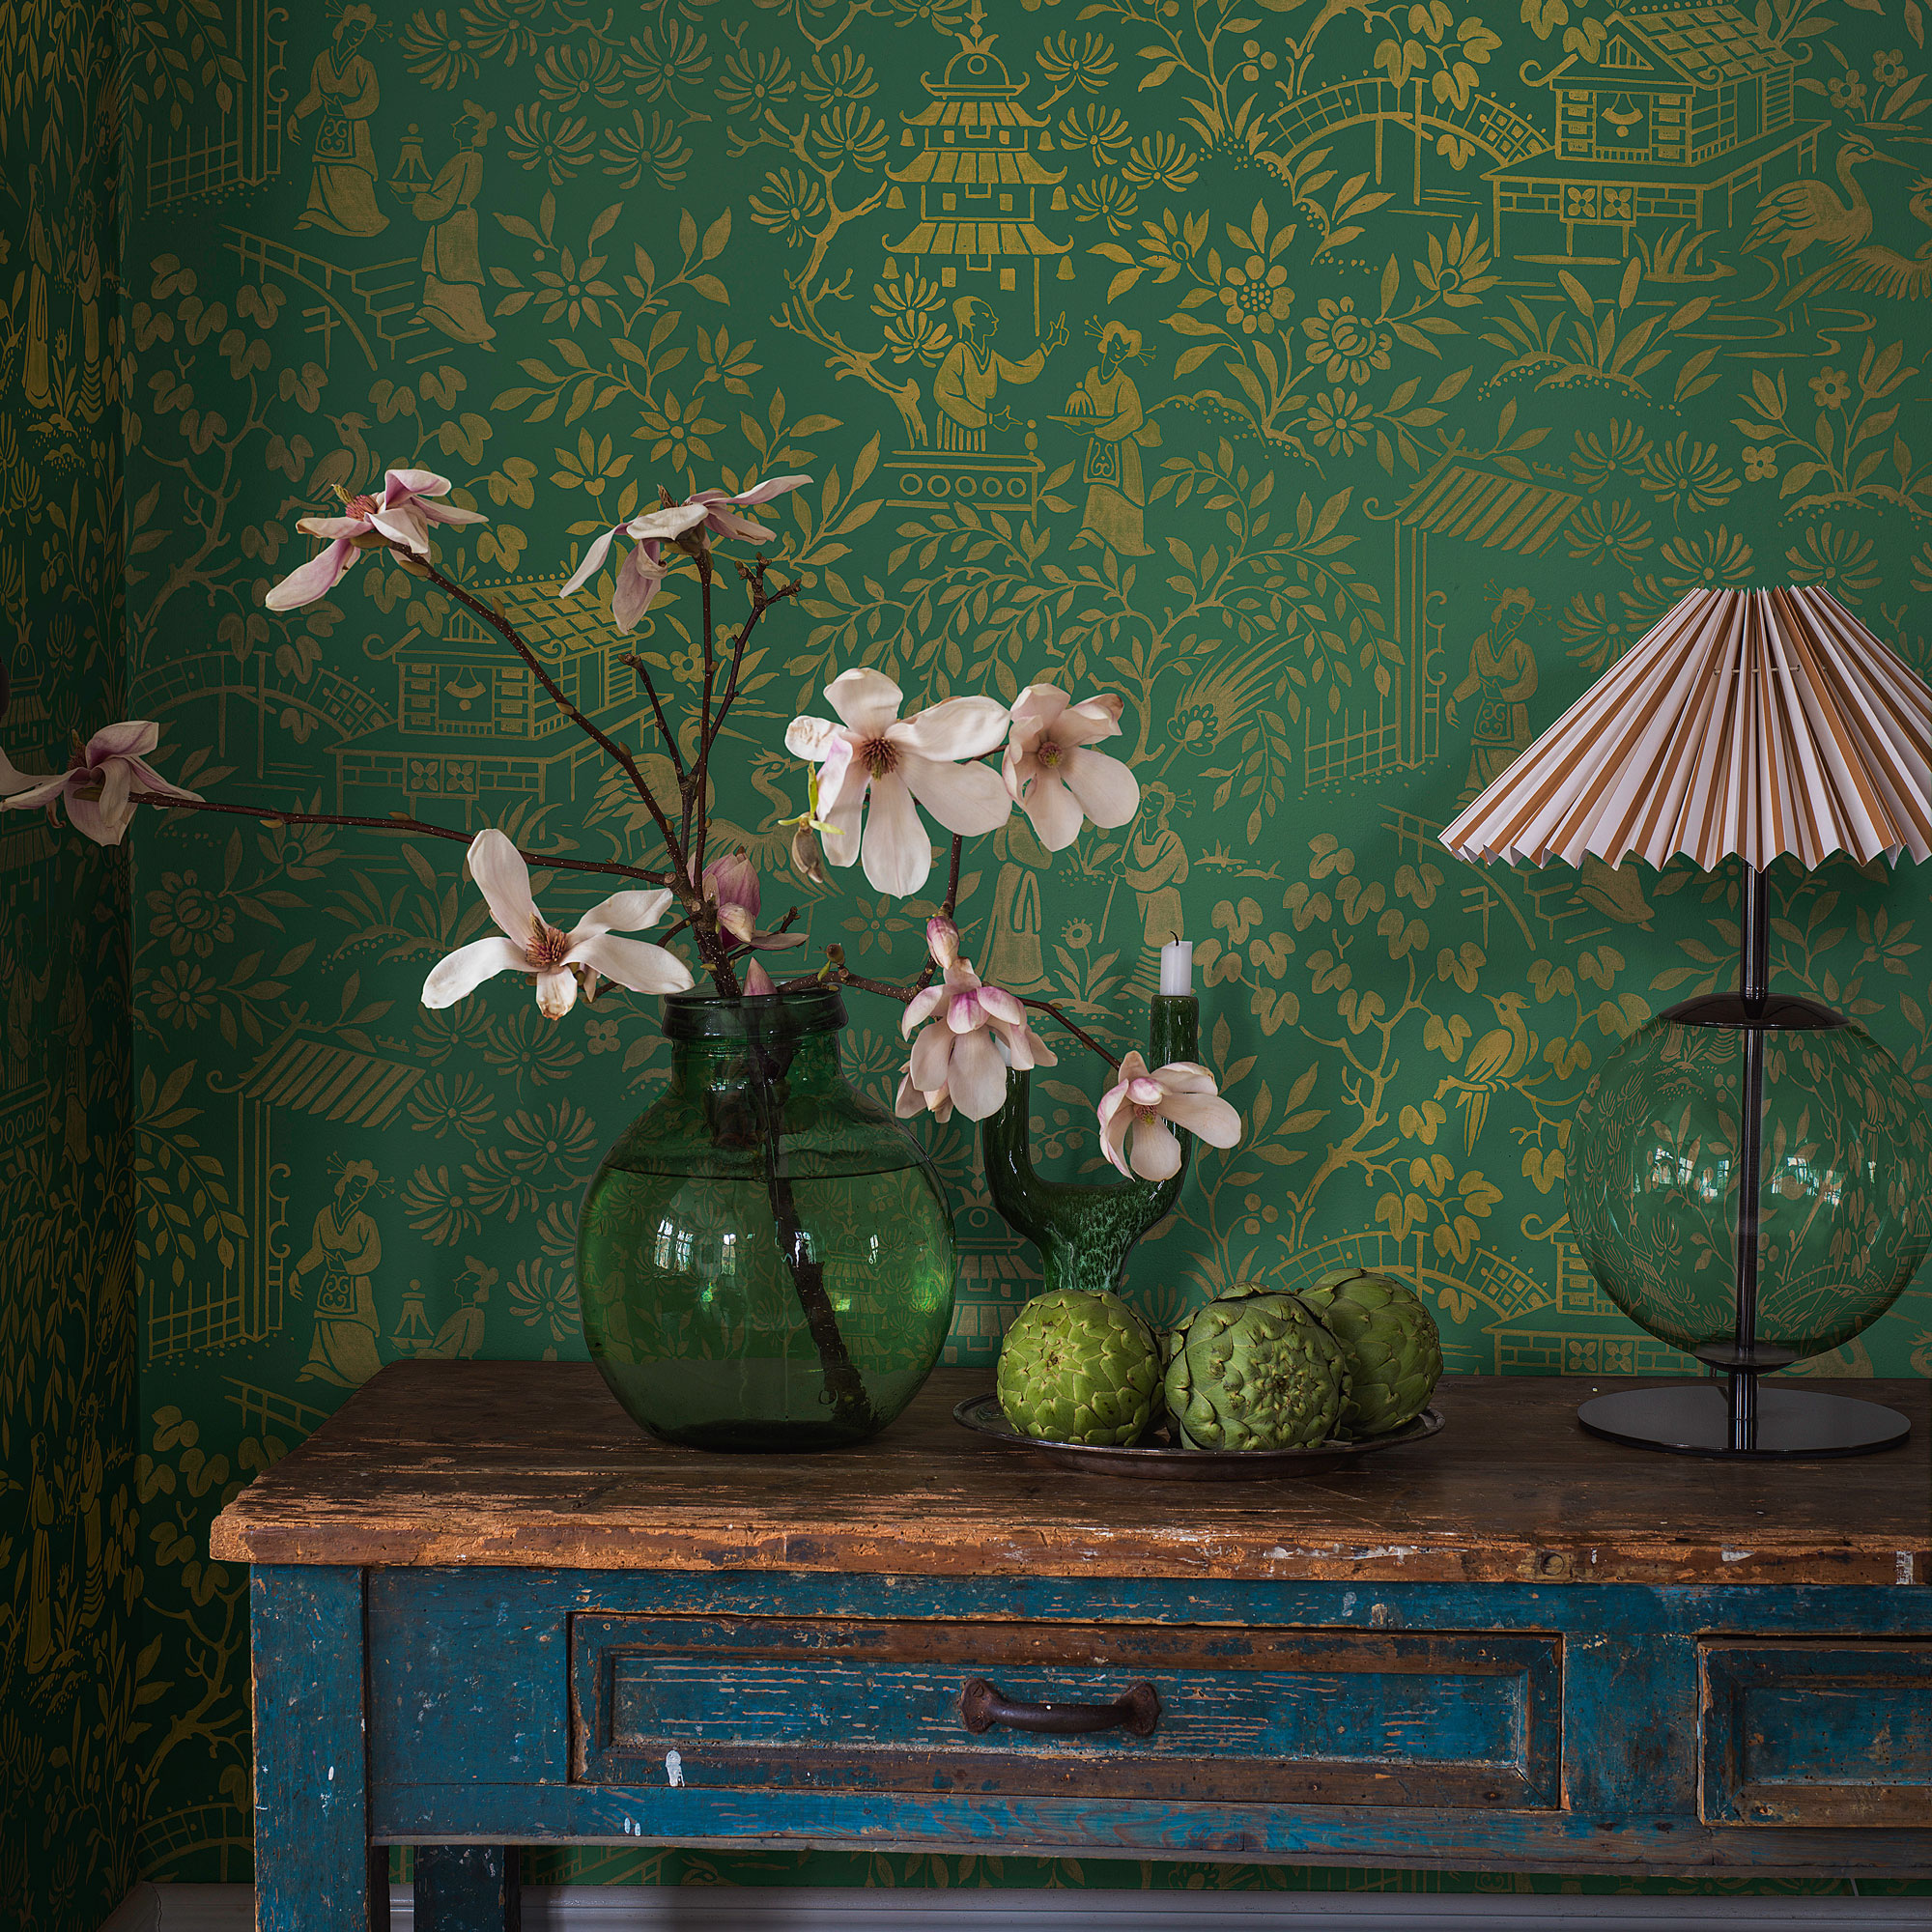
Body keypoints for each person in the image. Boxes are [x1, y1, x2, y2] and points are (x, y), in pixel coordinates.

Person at [289, 5, 388, 238]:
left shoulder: (364, 66)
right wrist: (296, 115)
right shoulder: (323, 59)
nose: (357, 35)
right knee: (325, 171)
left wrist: (344, 110)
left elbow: (371, 101)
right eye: (355, 29)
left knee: (355, 171)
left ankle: (362, 221)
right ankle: (318, 215)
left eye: (362, 32)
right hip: (329, 129)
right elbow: (315, 95)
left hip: (355, 130)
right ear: (344, 26)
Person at [1063, 323, 1156, 556]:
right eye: (1117, 345)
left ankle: (1128, 541)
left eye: (1124, 349)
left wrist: (1099, 431)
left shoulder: (1125, 382)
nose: (1119, 352)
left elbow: (1134, 417)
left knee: (1123, 489)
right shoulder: (1091, 375)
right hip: (1099, 443)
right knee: (1099, 483)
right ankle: (1091, 533)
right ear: (1107, 344)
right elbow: (1088, 407)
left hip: (1122, 445)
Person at [293, 1161, 384, 1387]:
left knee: (357, 1327)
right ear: (346, 1182)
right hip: (331, 1283)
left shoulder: (366, 1221)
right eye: (357, 1184)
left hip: (357, 1286)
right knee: (326, 1325)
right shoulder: (324, 1216)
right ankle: (319, 1367)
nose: (360, 1191)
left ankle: (363, 1376)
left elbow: (373, 1257)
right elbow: (317, 1251)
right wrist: (298, 1270)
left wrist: (347, 1267)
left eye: (364, 1187)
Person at [931, 298, 1065, 450]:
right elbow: (943, 394)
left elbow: (1020, 372)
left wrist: (1049, 344)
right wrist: (989, 419)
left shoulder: (990, 356)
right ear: (973, 321)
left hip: (979, 430)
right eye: (988, 316)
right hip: (955, 432)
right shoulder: (959, 352)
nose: (995, 319)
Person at [413, 104, 497, 347]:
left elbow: (446, 195)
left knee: (457, 270)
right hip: (454, 220)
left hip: (454, 221)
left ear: (469, 132)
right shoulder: (467, 158)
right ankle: (432, 310)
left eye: (460, 126)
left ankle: (473, 327)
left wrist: (421, 201)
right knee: (441, 268)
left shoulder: (467, 159)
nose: (455, 129)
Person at [1448, 588, 1538, 804]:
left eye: (1521, 615)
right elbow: (1474, 677)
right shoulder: (1481, 643)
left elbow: (1529, 683)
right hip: (1488, 713)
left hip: (1514, 717)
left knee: (1513, 757)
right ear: (1503, 609)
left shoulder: (1522, 649)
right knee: (1481, 752)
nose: (1516, 619)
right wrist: (1454, 698)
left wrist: (1503, 693)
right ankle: (1474, 793)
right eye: (1514, 612)